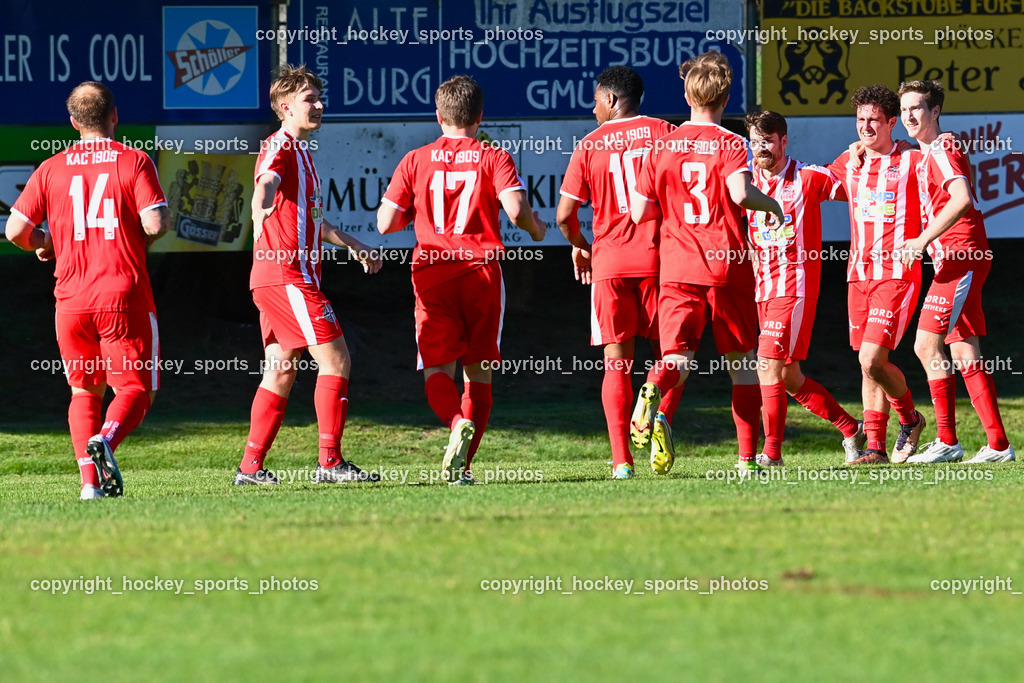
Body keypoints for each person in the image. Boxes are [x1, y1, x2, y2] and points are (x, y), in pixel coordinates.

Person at [377, 75, 546, 484]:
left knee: (437, 369)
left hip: (432, 273)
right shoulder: (493, 156)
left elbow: (385, 223)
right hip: (481, 273)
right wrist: (537, 230)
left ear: (438, 116)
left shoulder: (415, 160)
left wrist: (413, 215)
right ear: (480, 116)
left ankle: (454, 423)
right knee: (480, 371)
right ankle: (463, 467)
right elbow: (516, 211)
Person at [6, 81, 169, 499]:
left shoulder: (50, 167)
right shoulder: (133, 160)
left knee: (84, 389)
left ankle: (89, 487)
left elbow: (15, 231)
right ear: (115, 115)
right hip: (122, 292)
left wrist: (44, 244)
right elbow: (155, 224)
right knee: (135, 388)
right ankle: (107, 441)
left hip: (71, 298)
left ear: (74, 122)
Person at [629, 51, 785, 474]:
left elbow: (640, 211)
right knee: (741, 366)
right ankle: (747, 460)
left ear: (686, 92)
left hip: (677, 267)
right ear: (727, 96)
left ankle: (651, 388)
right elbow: (739, 195)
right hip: (726, 266)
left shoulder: (661, 145)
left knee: (676, 359)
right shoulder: (733, 144)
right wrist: (771, 205)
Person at [235, 65, 382, 486]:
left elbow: (312, 221)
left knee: (280, 369)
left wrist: (353, 244)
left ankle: (249, 470)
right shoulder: (279, 145)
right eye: (308, 100)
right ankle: (330, 464)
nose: (318, 106)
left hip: (278, 276)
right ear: (285, 108)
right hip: (286, 275)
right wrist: (259, 205)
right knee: (337, 360)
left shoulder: (303, 154)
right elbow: (266, 182)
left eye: (319, 98)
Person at [556, 66, 682, 479]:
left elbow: (563, 215)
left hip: (609, 264)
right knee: (673, 357)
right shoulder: (665, 131)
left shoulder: (589, 144)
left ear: (611, 99)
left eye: (595, 100)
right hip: (661, 261)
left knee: (616, 365)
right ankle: (656, 412)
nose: (593, 109)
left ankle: (620, 463)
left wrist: (580, 245)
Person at [894, 80, 1014, 463]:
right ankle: (998, 445)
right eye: (905, 109)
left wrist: (919, 240)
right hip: (958, 258)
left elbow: (962, 199)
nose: (909, 115)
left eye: (917, 108)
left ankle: (947, 441)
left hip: (962, 256)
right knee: (964, 351)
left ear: (935, 112)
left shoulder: (943, 147)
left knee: (925, 345)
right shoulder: (926, 152)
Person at [743, 111, 867, 467]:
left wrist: (856, 150)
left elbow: (848, 181)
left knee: (766, 364)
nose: (761, 148)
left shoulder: (806, 177)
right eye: (755, 141)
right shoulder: (747, 181)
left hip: (794, 287)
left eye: (768, 140)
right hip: (763, 291)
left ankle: (772, 454)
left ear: (784, 141)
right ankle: (850, 429)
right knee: (789, 375)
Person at [826, 84, 925, 464]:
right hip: (858, 275)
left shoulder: (912, 160)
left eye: (873, 120)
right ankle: (875, 449)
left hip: (897, 273)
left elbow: (946, 187)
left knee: (872, 359)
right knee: (868, 365)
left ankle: (911, 419)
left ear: (891, 123)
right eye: (860, 120)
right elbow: (817, 184)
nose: (866, 127)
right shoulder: (851, 160)